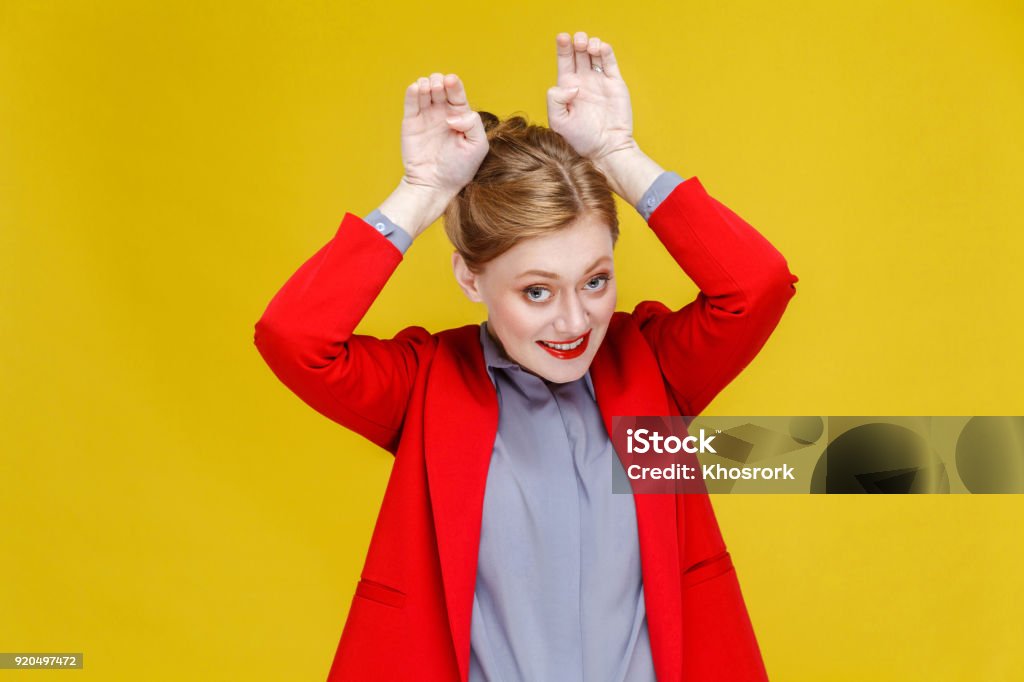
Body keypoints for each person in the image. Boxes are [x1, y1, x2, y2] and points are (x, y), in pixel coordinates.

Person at [254, 31, 797, 682]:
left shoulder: (655, 367)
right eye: (536, 291)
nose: (574, 320)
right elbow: (294, 337)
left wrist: (618, 155)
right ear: (469, 279)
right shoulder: (424, 386)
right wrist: (423, 192)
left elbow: (756, 286)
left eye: (595, 280)